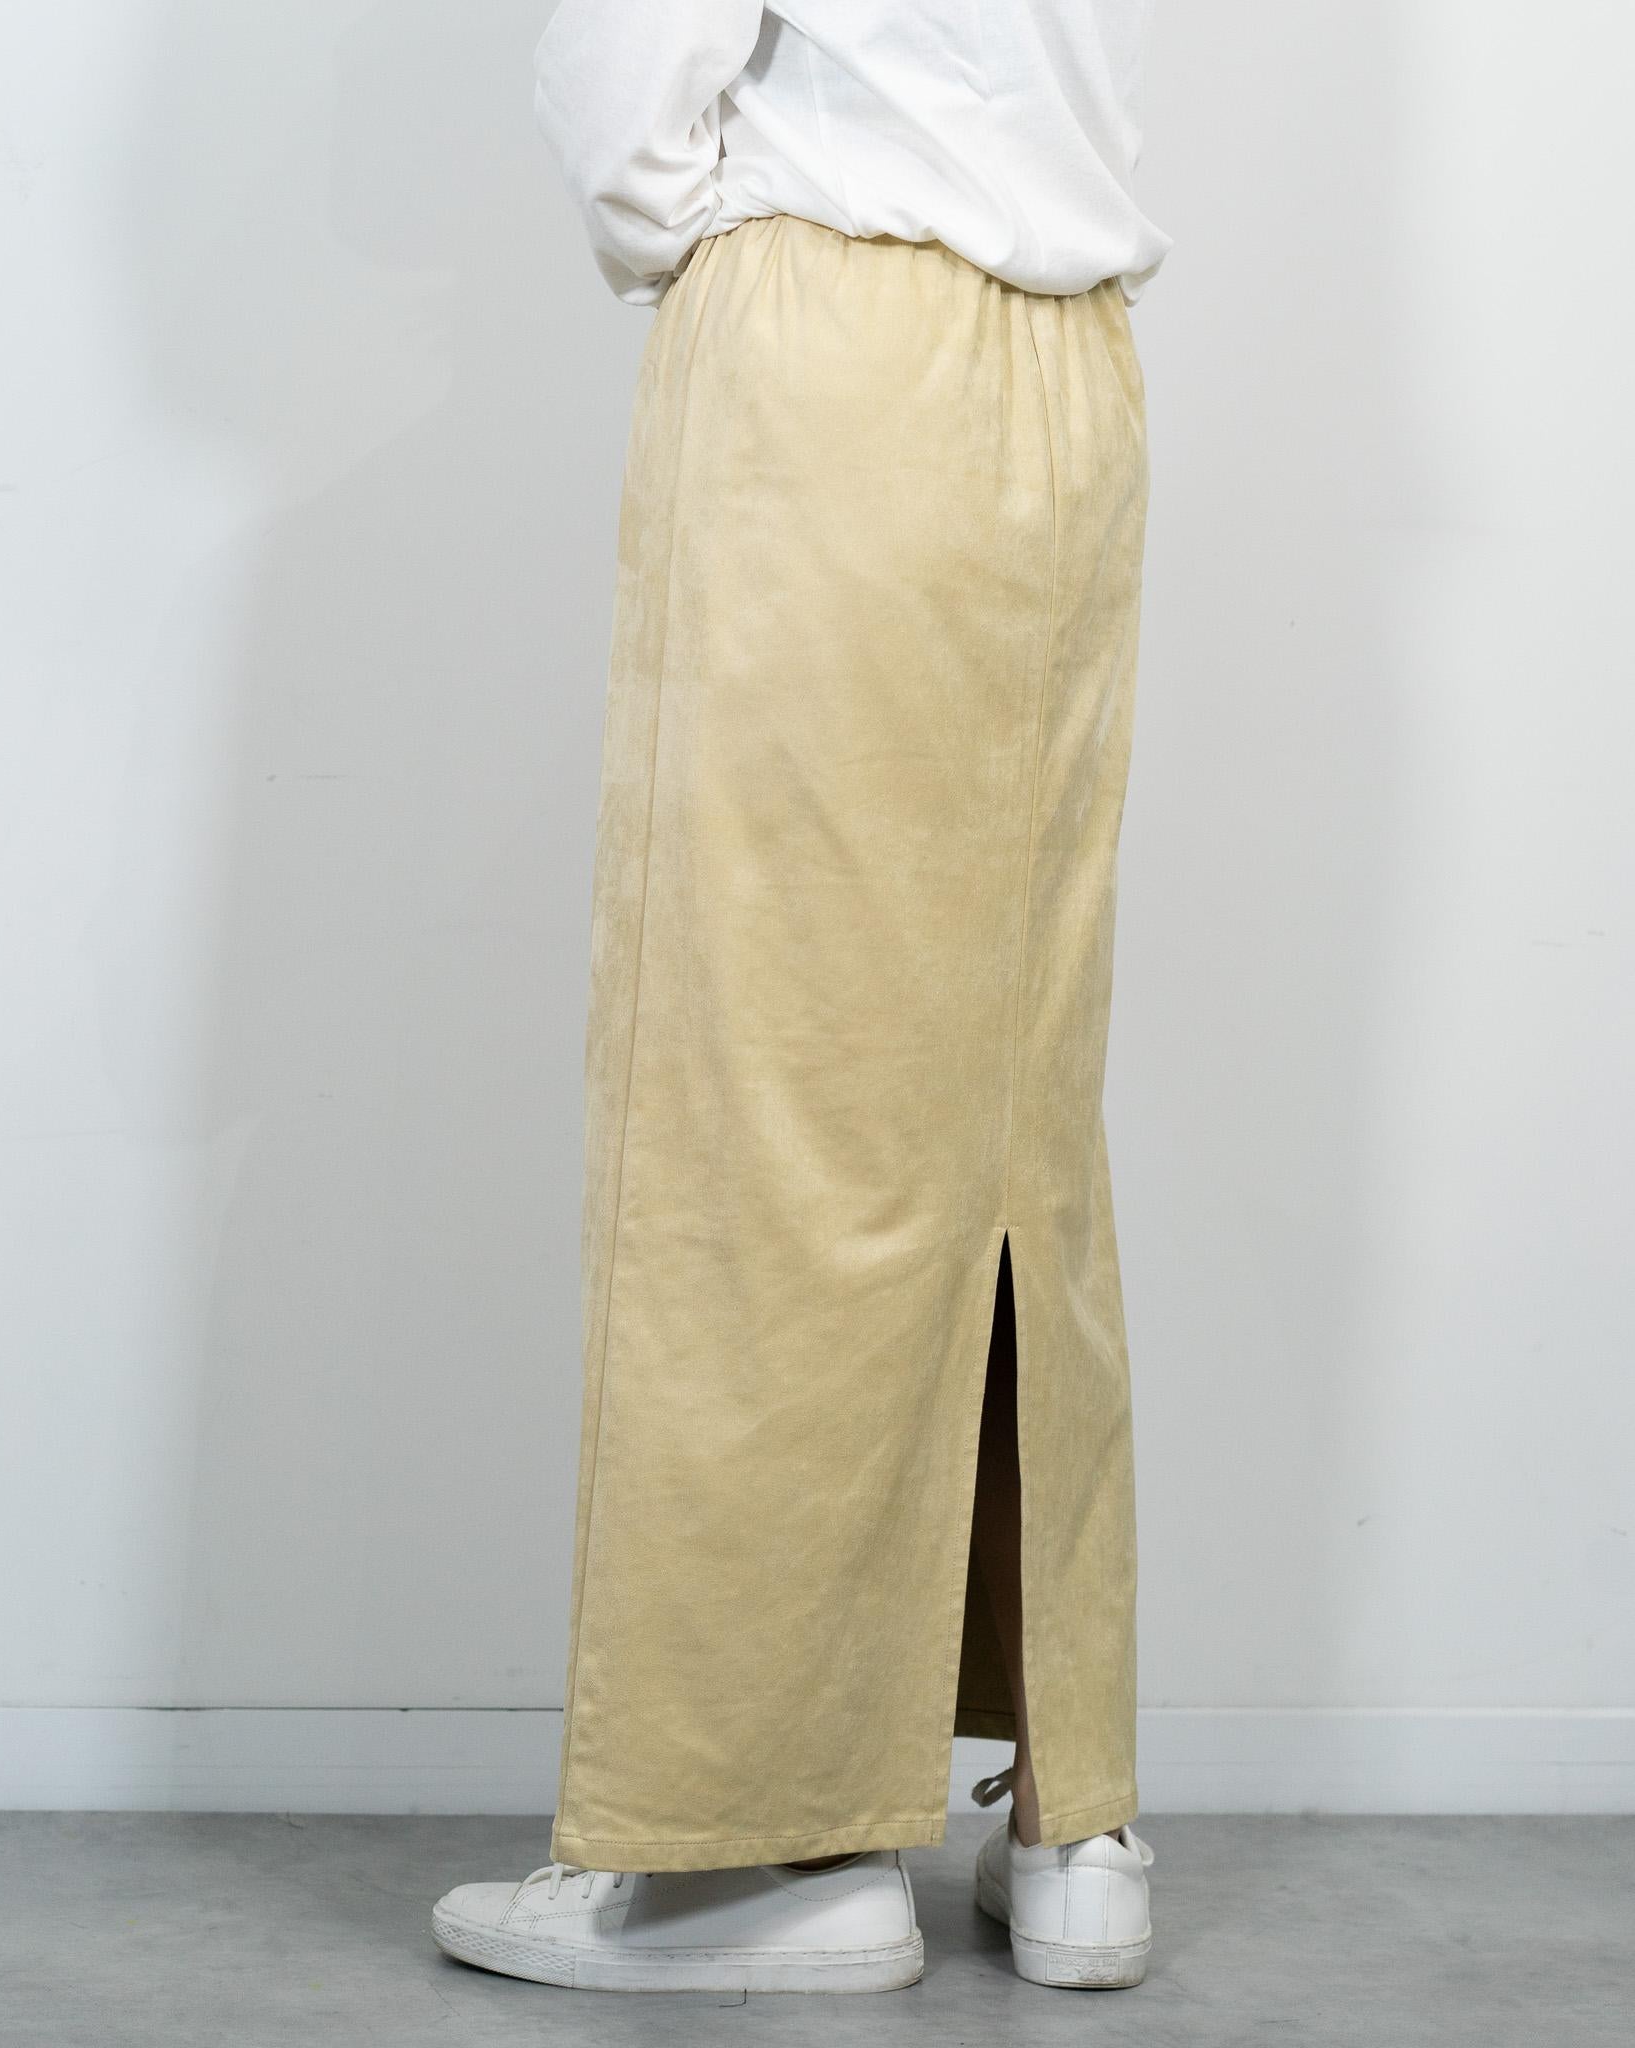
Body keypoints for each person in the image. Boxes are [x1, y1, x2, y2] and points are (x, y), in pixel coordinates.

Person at [433, 0, 1170, 1996]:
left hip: (839, 345)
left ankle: (771, 1854)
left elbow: (624, 107)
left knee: (768, 1098)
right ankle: (1076, 1818)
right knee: (1010, 1110)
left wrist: (750, 243)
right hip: (1075, 369)